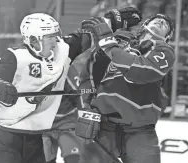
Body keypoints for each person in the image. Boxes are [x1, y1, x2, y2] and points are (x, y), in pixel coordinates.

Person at [0, 8, 142, 163]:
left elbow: (88, 35)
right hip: (4, 137)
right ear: (34, 40)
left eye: (54, 34)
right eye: (49, 36)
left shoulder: (62, 49)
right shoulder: (15, 57)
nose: (55, 39)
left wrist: (112, 20)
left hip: (34, 137)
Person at [41, 7, 142, 163]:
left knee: (75, 157)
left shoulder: (65, 61)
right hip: (41, 125)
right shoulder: (25, 63)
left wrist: (108, 23)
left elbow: (79, 93)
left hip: (67, 123)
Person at [75, 13, 175, 163]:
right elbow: (89, 71)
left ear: (167, 37)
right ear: (145, 24)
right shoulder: (119, 39)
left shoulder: (164, 51)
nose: (161, 21)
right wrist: (87, 104)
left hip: (140, 130)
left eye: (166, 24)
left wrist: (108, 42)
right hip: (102, 124)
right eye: (157, 19)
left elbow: (138, 72)